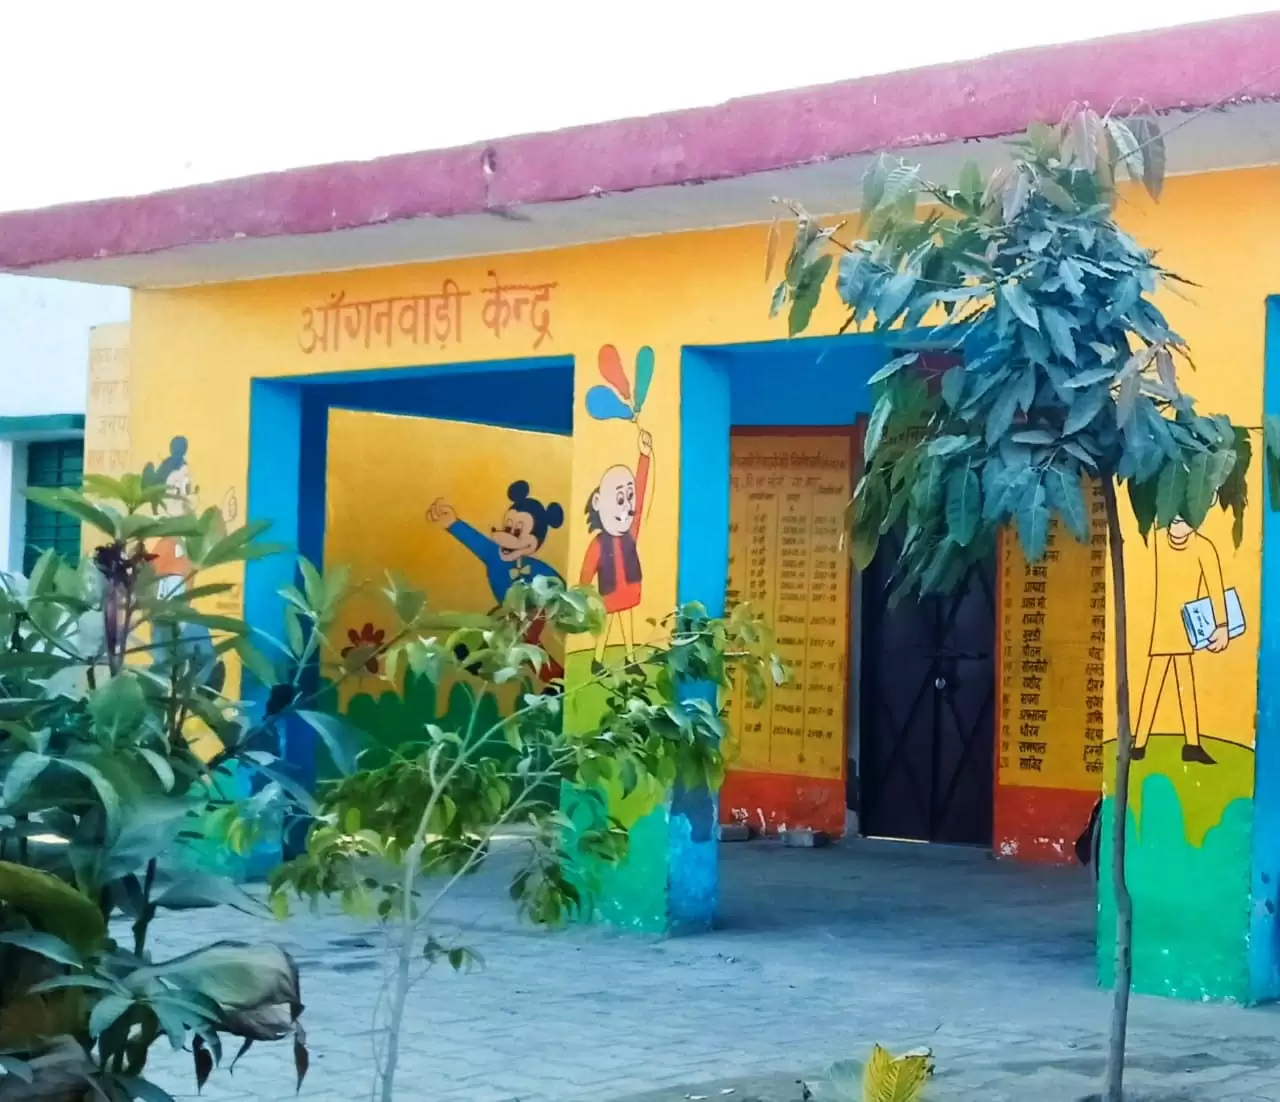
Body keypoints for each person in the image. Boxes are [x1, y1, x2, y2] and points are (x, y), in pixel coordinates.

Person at [427, 480, 566, 683]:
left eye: (517, 531)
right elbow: (475, 540)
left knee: (525, 643)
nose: (507, 536)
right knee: (496, 627)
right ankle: (482, 660)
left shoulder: (536, 568)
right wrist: (452, 523)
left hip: (532, 612)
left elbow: (559, 586)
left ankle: (555, 679)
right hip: (508, 612)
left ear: (535, 541)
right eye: (507, 527)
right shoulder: (494, 555)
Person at [579, 427, 653, 671]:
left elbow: (639, 495)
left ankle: (630, 659)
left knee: (626, 619)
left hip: (628, 589)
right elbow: (586, 571)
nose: (627, 507)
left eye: (628, 498)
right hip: (609, 593)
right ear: (599, 503)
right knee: (606, 623)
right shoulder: (599, 543)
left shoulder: (630, 532)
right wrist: (583, 597)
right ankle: (597, 660)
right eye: (620, 499)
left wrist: (644, 457)